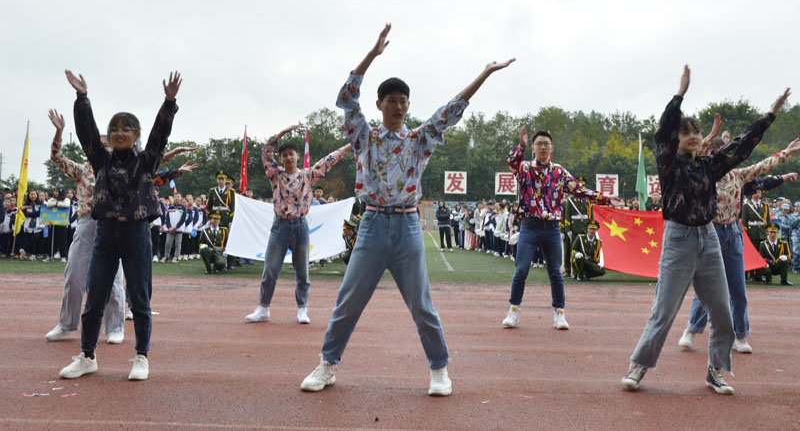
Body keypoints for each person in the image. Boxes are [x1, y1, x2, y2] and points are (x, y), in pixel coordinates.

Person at [300, 23, 514, 396]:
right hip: (372, 225)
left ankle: (439, 370)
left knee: (421, 305)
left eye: (403, 101)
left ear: (408, 106)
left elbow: (451, 111)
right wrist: (371, 55)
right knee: (348, 301)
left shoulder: (418, 140)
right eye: (391, 100)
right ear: (379, 105)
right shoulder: (364, 136)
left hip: (408, 228)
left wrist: (484, 73)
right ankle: (327, 365)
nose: (398, 107)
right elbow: (347, 99)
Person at [621, 65, 788, 394]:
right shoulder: (669, 164)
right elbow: (663, 132)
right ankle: (639, 365)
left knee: (723, 312)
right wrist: (680, 95)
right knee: (663, 311)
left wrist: (769, 115)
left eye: (697, 132)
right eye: (686, 133)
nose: (694, 136)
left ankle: (715, 371)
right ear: (677, 140)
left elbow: (741, 147)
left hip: (709, 239)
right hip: (679, 240)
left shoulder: (711, 166)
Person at [58, 69, 182, 382]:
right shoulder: (101, 160)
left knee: (139, 299)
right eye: (114, 128)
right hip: (105, 235)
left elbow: (160, 136)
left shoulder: (146, 161)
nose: (119, 133)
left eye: (127, 128)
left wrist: (169, 103)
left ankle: (141, 356)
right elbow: (87, 133)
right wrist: (82, 98)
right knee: (95, 298)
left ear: (136, 134)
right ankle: (87, 356)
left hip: (137, 234)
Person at [678, 135, 800, 354]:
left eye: (726, 153)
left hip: (733, 234)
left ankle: (740, 335)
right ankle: (692, 329)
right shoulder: (702, 175)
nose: (722, 157)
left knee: (738, 288)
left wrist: (787, 152)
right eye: (716, 154)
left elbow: (763, 167)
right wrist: (707, 138)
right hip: (711, 232)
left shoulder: (738, 175)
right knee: (707, 286)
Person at [503, 127, 619, 330]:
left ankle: (559, 313)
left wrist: (605, 199)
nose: (543, 147)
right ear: (533, 148)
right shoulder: (525, 168)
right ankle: (514, 310)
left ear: (552, 148)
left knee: (555, 272)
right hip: (530, 226)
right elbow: (512, 162)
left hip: (552, 228)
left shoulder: (559, 172)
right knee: (521, 270)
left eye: (546, 144)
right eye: (539, 144)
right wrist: (520, 146)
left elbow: (580, 190)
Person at [244, 125, 350, 325]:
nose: (288, 158)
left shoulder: (308, 176)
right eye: (284, 155)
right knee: (270, 269)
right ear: (280, 158)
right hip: (280, 227)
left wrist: (347, 146)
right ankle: (263, 308)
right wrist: (282, 133)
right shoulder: (276, 175)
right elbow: (266, 152)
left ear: (297, 156)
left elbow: (328, 161)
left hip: (300, 226)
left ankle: (302, 309)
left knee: (302, 271)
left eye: (291, 154)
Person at [43, 109, 126, 345]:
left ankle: (115, 327)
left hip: (111, 225)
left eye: (106, 145)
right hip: (86, 222)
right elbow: (57, 159)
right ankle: (66, 324)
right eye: (99, 145)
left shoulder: (121, 170)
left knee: (112, 278)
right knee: (74, 275)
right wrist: (59, 132)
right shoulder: (83, 169)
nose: (102, 149)